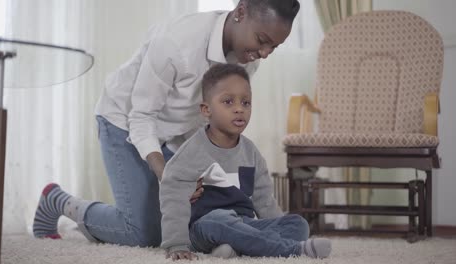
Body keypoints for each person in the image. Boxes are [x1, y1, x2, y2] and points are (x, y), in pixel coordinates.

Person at [32, 0, 300, 247]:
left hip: (178, 134)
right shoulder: (176, 42)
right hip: (125, 122)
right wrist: (169, 176)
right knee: (144, 233)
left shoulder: (247, 59)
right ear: (241, 12)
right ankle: (58, 200)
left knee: (191, 220)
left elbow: (212, 119)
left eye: (273, 47)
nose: (265, 53)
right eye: (262, 41)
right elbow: (141, 117)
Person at [160, 64, 332, 260]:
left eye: (246, 103)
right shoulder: (192, 151)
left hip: (244, 224)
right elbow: (173, 198)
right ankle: (292, 250)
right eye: (228, 102)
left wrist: (276, 224)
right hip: (204, 227)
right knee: (220, 219)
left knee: (297, 224)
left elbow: (264, 201)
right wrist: (177, 244)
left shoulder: (251, 152)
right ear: (206, 109)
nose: (239, 109)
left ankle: (236, 248)